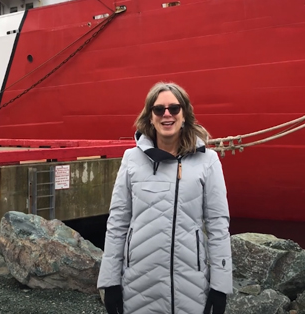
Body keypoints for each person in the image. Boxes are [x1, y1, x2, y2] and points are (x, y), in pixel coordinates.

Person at [97, 82, 233, 314]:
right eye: (159, 109)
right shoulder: (131, 159)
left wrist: (220, 287)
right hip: (139, 285)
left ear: (185, 114)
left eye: (174, 108)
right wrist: (109, 282)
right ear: (150, 116)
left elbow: (218, 226)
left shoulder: (208, 161)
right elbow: (118, 223)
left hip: (190, 286)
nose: (167, 114)